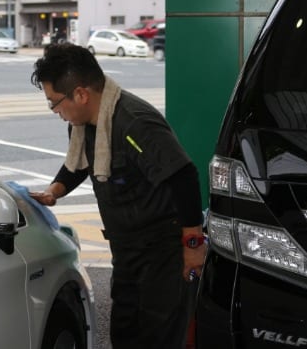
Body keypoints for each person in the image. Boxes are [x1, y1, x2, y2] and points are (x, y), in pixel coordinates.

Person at [29, 43, 207, 349]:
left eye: (55, 103)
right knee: (125, 333)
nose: (56, 112)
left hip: (163, 253)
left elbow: (183, 176)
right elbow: (80, 165)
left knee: (159, 337)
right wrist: (54, 190)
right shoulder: (82, 125)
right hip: (127, 252)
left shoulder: (134, 122)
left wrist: (193, 245)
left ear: (81, 94)